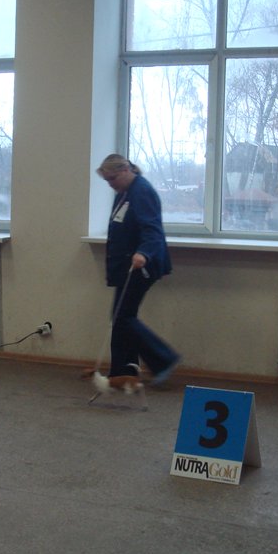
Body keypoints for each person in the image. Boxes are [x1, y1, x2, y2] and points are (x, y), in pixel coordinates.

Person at [93, 154, 181, 392]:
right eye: (107, 180)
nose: (110, 184)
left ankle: (163, 359)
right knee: (121, 318)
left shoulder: (141, 192)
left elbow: (152, 229)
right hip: (126, 265)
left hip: (142, 265)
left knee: (123, 317)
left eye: (112, 178)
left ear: (125, 170)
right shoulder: (124, 192)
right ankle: (123, 373)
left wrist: (144, 252)